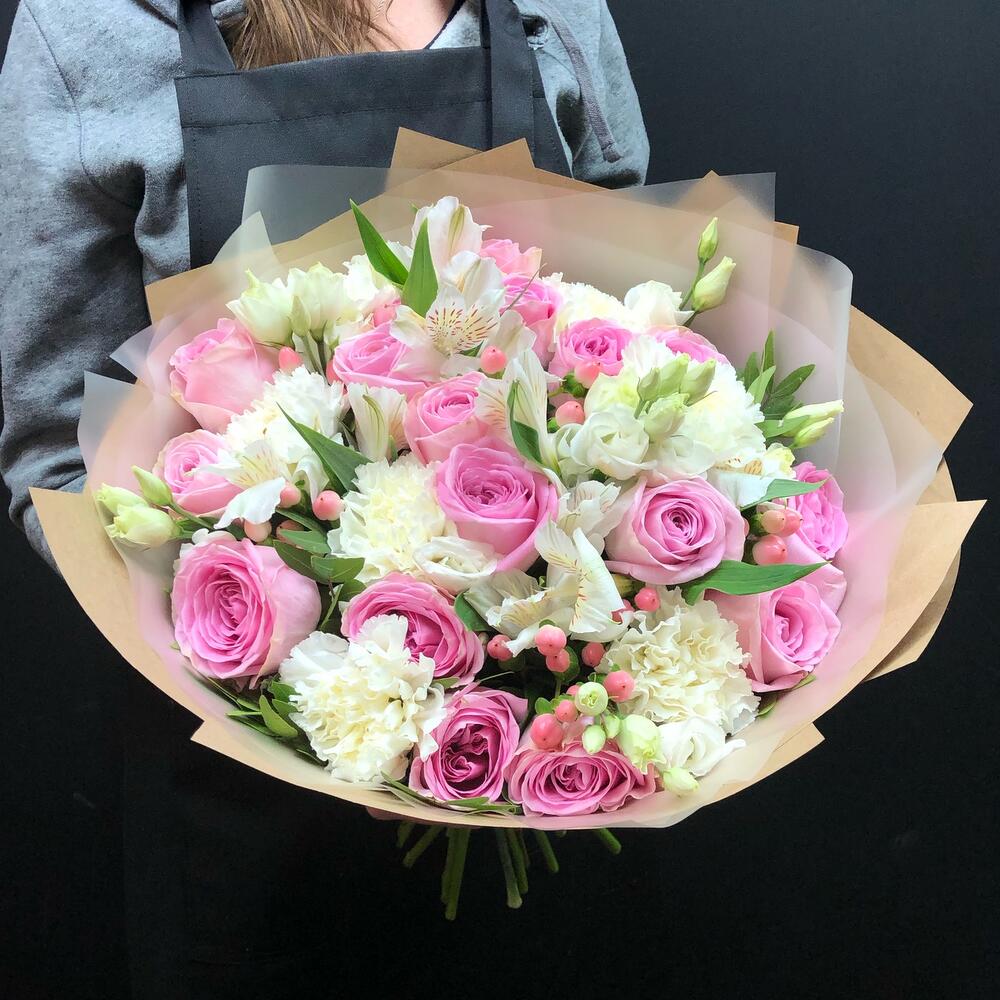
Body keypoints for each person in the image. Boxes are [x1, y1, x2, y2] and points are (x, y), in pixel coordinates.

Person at [0, 2, 648, 995]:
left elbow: (625, 324)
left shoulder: (554, 11)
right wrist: (301, 690)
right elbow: (56, 451)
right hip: (239, 802)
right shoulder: (90, 27)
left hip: (544, 766)